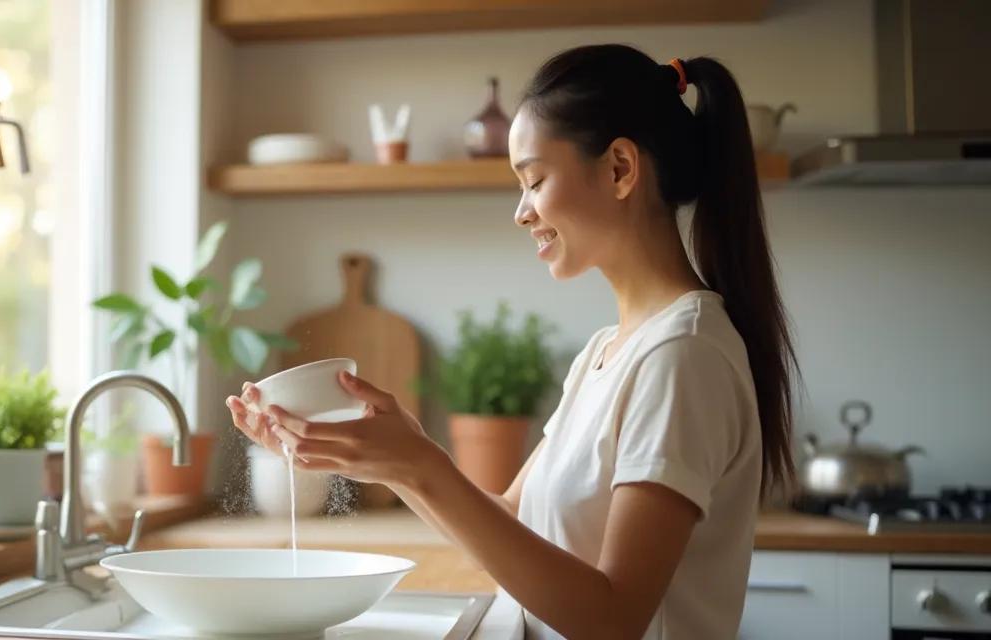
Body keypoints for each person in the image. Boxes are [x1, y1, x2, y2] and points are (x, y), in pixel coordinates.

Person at [226, 44, 797, 640]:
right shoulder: (608, 351)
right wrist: (395, 461)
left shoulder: (683, 356)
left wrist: (422, 467)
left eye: (535, 179)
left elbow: (615, 618)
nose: (522, 212)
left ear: (621, 168)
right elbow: (509, 522)